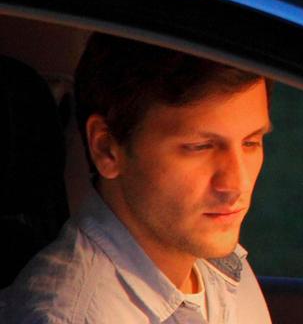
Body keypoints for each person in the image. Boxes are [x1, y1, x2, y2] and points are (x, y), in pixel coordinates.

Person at [1, 33, 273, 323]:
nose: (236, 184)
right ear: (107, 150)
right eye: (200, 147)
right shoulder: (73, 315)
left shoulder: (220, 268)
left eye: (250, 143)